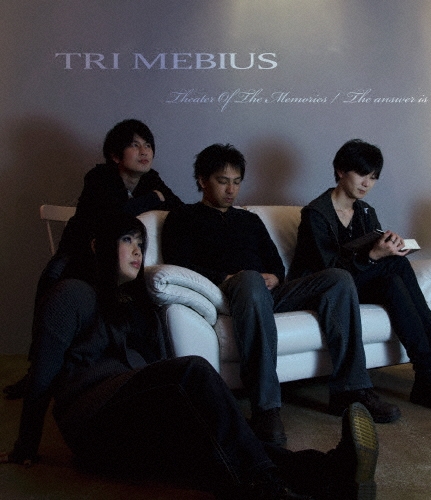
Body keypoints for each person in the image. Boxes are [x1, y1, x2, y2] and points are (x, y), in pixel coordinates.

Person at [1, 212, 381, 500]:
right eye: (127, 240)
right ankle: (266, 489)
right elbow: (43, 373)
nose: (137, 250)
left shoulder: (136, 304)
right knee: (194, 374)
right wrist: (25, 446)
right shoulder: (72, 294)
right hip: (93, 424)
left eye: (140, 242)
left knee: (222, 439)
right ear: (97, 246)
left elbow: (154, 370)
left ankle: (333, 471)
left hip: (134, 418)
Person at [161, 144, 401, 448]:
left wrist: (275, 276)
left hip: (271, 293)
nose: (231, 190)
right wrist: (225, 277)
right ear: (202, 180)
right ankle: (266, 409)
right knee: (249, 278)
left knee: (338, 278)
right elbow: (179, 264)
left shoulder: (249, 220)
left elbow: (275, 264)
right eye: (223, 181)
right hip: (229, 293)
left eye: (236, 182)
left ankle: (350, 391)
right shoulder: (182, 217)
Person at [288, 138, 431, 417]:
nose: (367, 183)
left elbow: (372, 262)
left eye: (374, 177)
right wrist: (374, 256)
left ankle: (430, 378)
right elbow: (329, 273)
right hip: (325, 292)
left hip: (356, 285)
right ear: (340, 171)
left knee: (393, 276)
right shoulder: (315, 214)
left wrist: (389, 249)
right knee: (392, 268)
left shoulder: (365, 212)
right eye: (362, 174)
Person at [3, 119, 183, 400]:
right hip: (81, 253)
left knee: (143, 294)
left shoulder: (151, 179)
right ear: (115, 155)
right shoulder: (99, 178)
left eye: (148, 145)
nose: (144, 151)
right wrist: (152, 199)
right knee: (53, 279)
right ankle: (38, 369)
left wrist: (153, 197)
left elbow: (178, 209)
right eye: (134, 145)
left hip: (119, 260)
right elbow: (111, 219)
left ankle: (145, 366)